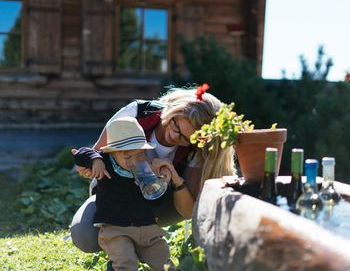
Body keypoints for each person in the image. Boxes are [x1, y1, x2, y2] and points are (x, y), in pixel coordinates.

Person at [70, 86, 236, 253]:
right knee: (85, 235)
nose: (174, 136)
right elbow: (97, 153)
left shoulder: (196, 149)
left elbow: (188, 211)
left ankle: (139, 240)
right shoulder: (138, 113)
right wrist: (89, 164)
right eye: (175, 125)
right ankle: (126, 241)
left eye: (185, 138)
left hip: (157, 204)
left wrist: (174, 178)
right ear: (173, 110)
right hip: (114, 195)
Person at [74, 116, 174, 271]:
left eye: (139, 154)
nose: (134, 160)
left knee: (163, 261)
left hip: (146, 228)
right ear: (113, 153)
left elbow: (156, 201)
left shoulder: (145, 169)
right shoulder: (105, 164)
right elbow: (81, 154)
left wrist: (162, 184)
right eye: (127, 156)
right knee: (125, 262)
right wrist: (96, 160)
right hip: (115, 229)